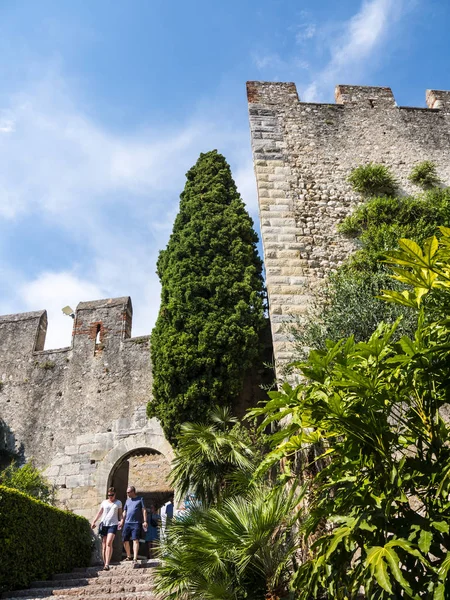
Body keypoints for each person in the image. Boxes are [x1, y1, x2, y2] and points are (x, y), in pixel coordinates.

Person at [91, 487, 123, 571]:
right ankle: (105, 563)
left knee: (109, 542)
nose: (110, 497)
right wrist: (94, 521)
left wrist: (122, 521)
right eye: (109, 495)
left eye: (112, 495)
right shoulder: (104, 502)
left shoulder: (118, 503)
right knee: (104, 544)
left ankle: (107, 563)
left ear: (115, 494)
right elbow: (100, 512)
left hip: (113, 524)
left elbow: (120, 514)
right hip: (104, 524)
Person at [119, 485, 147, 563]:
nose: (127, 494)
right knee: (125, 540)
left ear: (133, 492)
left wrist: (145, 521)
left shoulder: (140, 499)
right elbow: (125, 511)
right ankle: (129, 556)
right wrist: (122, 521)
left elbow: (144, 510)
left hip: (136, 523)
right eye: (127, 492)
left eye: (128, 492)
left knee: (136, 540)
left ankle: (135, 558)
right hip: (127, 523)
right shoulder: (127, 501)